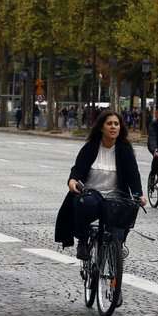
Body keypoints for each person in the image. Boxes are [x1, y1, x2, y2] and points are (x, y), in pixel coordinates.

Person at [55, 111, 146, 260]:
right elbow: (78, 169)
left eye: (116, 124)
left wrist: (139, 194)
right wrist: (72, 182)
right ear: (101, 127)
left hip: (115, 195)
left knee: (130, 208)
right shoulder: (90, 147)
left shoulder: (125, 149)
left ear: (120, 128)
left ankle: (118, 244)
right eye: (109, 123)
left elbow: (133, 175)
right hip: (92, 194)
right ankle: (83, 241)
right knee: (85, 204)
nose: (113, 127)